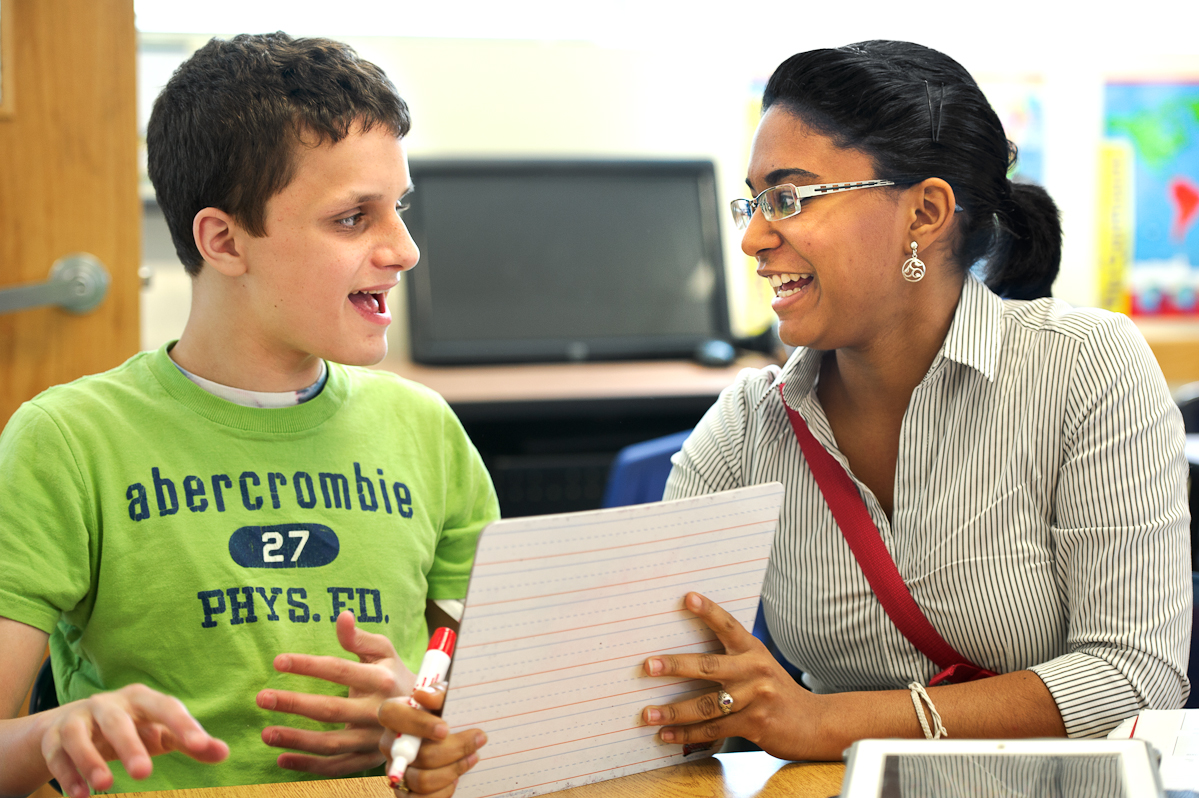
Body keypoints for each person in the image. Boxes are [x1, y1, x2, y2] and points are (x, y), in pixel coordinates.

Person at [632, 40, 1192, 759]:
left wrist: (823, 722)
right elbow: (647, 672)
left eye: (789, 197)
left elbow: (1132, 676)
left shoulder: (1085, 367)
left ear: (924, 215)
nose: (752, 237)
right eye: (755, 200)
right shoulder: (751, 423)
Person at [0, 33, 495, 796]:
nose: (404, 249)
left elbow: (495, 710)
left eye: (396, 209)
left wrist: (429, 714)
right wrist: (51, 734)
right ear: (223, 240)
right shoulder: (67, 441)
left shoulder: (425, 430)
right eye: (352, 219)